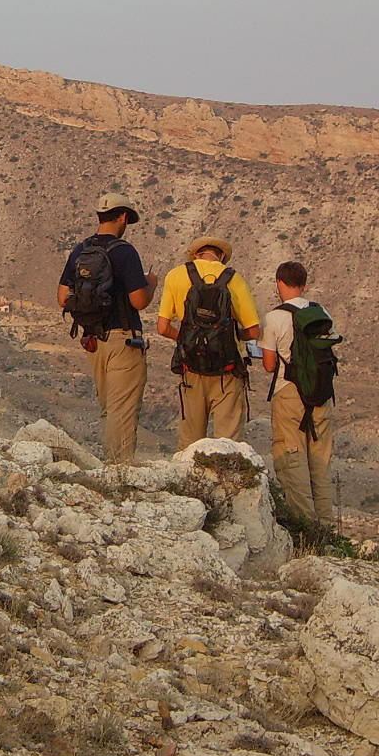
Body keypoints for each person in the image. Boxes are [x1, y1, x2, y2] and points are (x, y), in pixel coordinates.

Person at [57, 193, 158, 464]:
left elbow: (62, 297)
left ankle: (110, 466)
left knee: (108, 410)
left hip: (94, 341)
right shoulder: (124, 251)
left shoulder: (81, 250)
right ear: (123, 217)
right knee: (122, 410)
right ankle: (118, 472)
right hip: (124, 342)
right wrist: (151, 285)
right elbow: (138, 301)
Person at [156, 235, 260, 450]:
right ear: (221, 256)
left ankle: (188, 481)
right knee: (229, 443)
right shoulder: (234, 279)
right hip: (227, 371)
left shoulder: (176, 275)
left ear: (196, 254)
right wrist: (230, 339)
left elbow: (163, 327)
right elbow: (254, 330)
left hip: (191, 367)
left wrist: (188, 340)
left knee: (189, 443)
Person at [260, 260, 334, 523]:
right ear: (305, 284)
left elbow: (269, 365)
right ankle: (327, 529)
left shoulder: (274, 317)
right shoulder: (321, 311)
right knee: (320, 463)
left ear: (279, 283)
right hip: (321, 393)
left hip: (289, 393)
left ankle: (305, 527)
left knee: (293, 459)